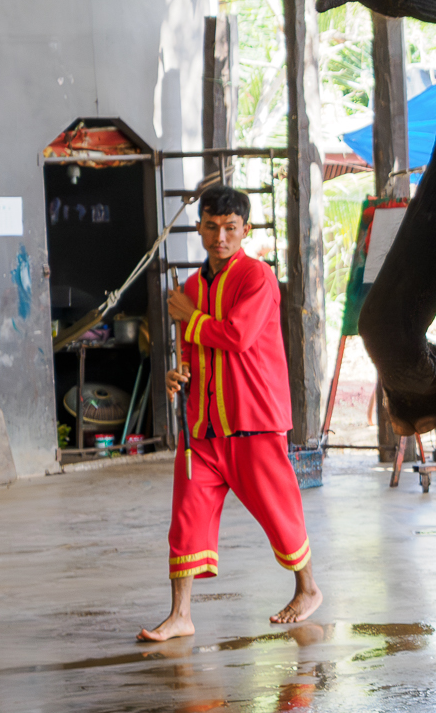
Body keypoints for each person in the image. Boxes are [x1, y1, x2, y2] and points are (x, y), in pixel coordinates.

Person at [137, 185, 322, 641]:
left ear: (246, 230)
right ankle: (180, 615)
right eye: (211, 227)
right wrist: (177, 374)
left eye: (230, 228)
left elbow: (236, 336)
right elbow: (192, 350)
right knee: (186, 517)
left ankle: (309, 589)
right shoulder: (192, 287)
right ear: (200, 228)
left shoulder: (257, 278)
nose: (220, 236)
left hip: (254, 419)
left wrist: (188, 316)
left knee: (278, 511)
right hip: (202, 425)